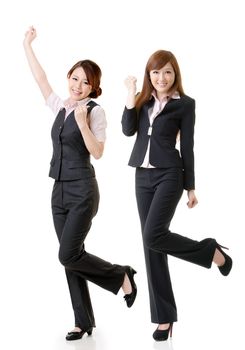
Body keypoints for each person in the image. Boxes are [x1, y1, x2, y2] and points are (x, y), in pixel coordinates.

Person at [23, 26, 137, 341]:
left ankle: (120, 275)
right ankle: (82, 321)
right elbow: (41, 79)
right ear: (69, 78)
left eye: (85, 82)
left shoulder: (95, 112)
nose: (78, 85)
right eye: (74, 78)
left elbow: (98, 152)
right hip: (57, 190)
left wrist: (84, 124)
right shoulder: (60, 106)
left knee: (67, 254)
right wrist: (27, 44)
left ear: (93, 87)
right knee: (71, 256)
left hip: (83, 191)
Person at [121, 50, 232, 341]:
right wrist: (130, 94)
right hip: (141, 176)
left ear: (175, 75)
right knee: (151, 244)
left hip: (170, 174)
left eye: (167, 72)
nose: (161, 78)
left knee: (152, 235)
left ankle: (211, 253)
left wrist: (190, 186)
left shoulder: (186, 105)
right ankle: (165, 318)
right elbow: (127, 129)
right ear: (149, 75)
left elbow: (189, 147)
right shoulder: (142, 102)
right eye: (156, 72)